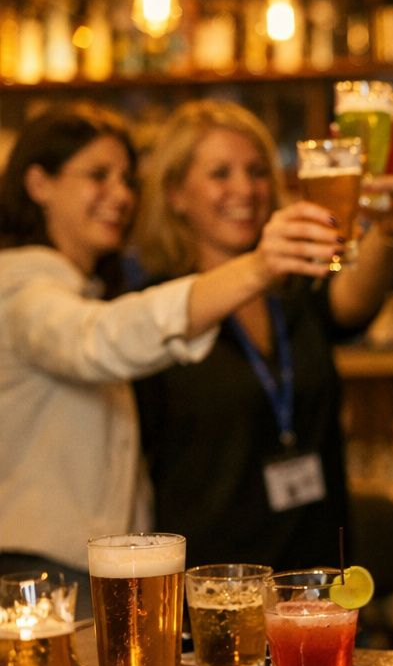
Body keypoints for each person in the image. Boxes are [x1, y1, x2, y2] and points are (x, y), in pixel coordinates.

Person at [0, 103, 347, 585]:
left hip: (109, 564)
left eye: (127, 180)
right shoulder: (17, 288)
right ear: (39, 184)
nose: (119, 195)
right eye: (98, 175)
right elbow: (97, 340)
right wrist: (257, 267)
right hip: (42, 572)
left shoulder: (92, 288)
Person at [130, 100, 393, 571]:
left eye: (257, 171)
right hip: (216, 577)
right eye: (220, 173)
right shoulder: (157, 310)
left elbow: (353, 304)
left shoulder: (293, 288)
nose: (245, 188)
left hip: (316, 568)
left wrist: (388, 229)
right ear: (175, 193)